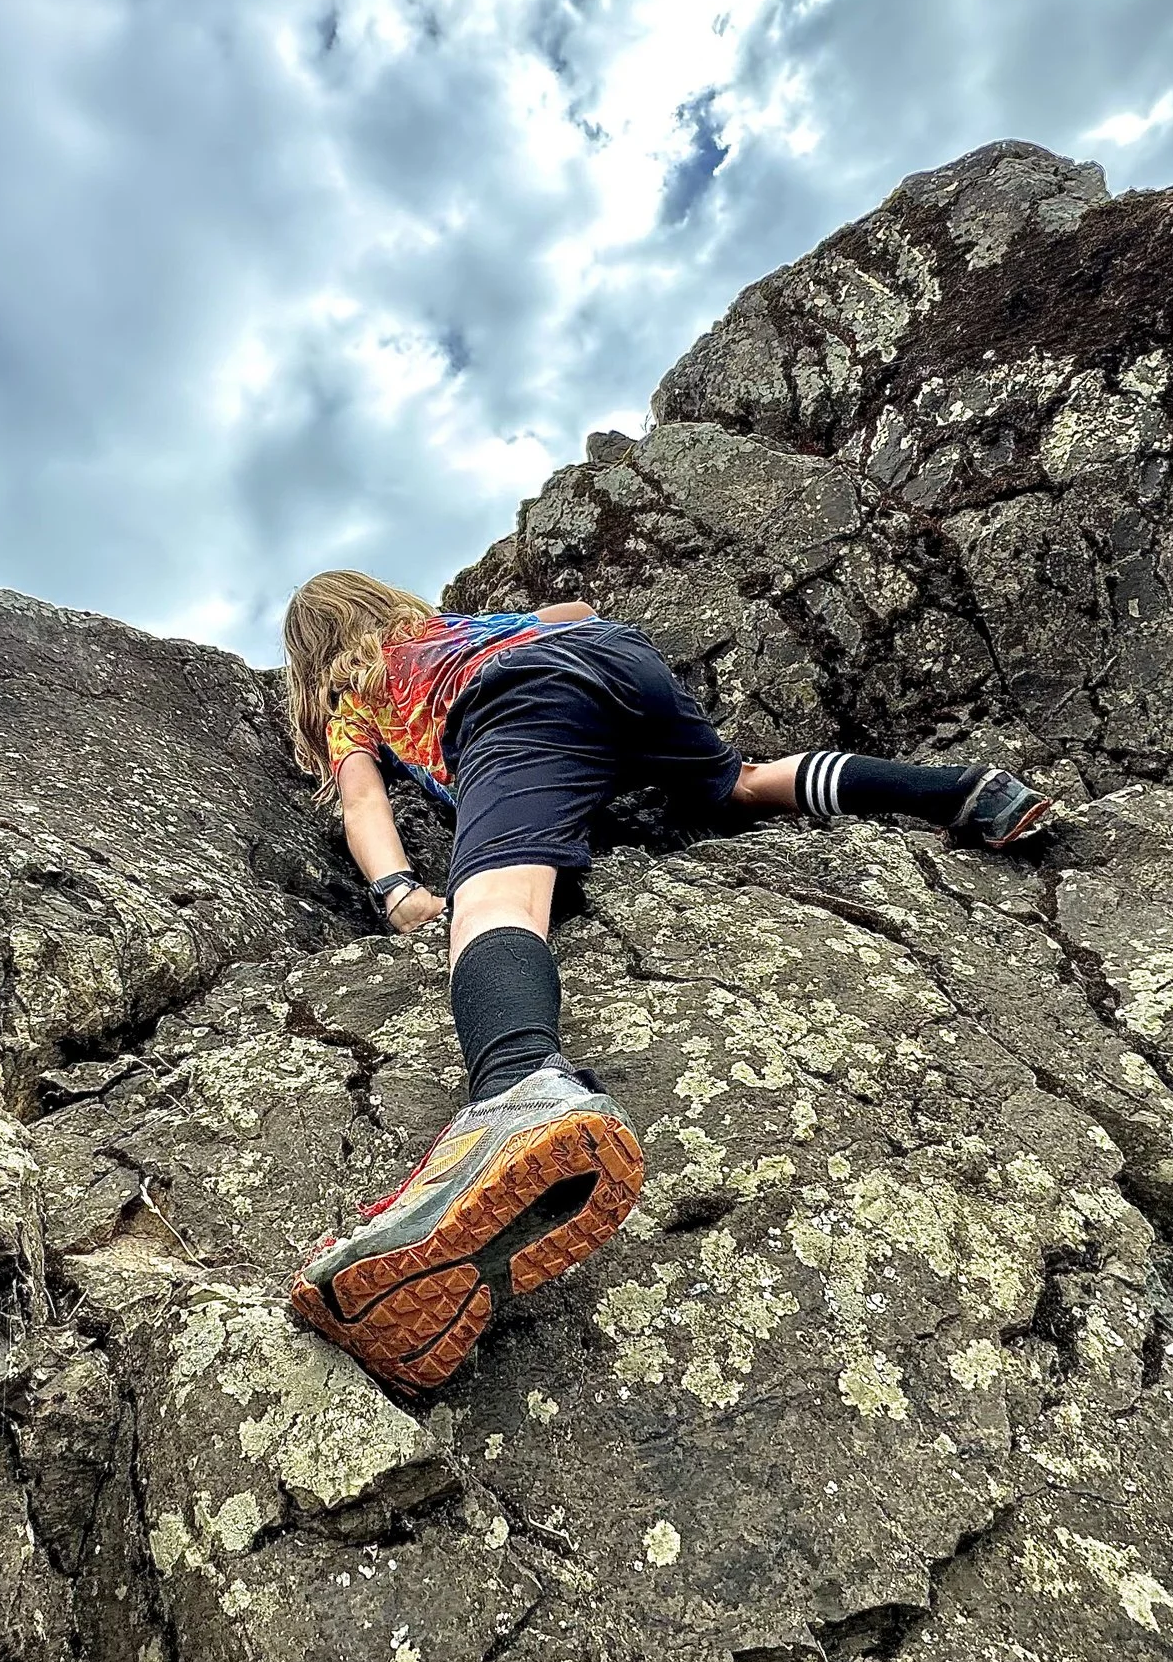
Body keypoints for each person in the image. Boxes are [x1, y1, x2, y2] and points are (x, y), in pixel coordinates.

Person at [280, 571, 1053, 1389]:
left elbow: (364, 803)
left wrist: (400, 892)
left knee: (497, 897)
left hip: (514, 698)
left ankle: (517, 1084)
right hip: (615, 662)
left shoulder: (353, 697)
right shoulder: (463, 623)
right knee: (741, 785)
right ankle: (962, 789)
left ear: (312, 657)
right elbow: (577, 611)